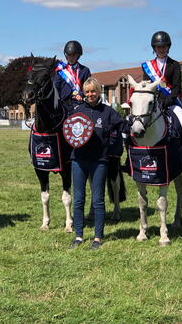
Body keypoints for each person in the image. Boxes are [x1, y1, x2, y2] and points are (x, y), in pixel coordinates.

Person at [69, 77, 128, 250]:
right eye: (87, 92)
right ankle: (78, 236)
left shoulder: (108, 112)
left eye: (93, 91)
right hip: (78, 160)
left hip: (100, 161)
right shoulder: (77, 111)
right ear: (84, 93)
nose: (90, 94)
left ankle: (97, 238)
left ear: (98, 91)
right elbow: (68, 131)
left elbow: (122, 126)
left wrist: (133, 126)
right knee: (78, 200)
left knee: (98, 201)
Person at [142, 31, 182, 169]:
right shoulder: (148, 67)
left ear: (168, 47)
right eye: (159, 47)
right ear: (154, 48)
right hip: (152, 104)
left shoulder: (174, 65)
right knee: (136, 122)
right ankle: (133, 154)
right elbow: (146, 87)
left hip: (171, 102)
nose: (161, 49)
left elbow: (177, 87)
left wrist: (167, 101)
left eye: (164, 46)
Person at [54, 40, 91, 110]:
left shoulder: (85, 70)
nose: (71, 58)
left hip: (80, 104)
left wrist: (81, 95)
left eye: (73, 55)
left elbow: (88, 87)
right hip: (63, 106)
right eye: (69, 55)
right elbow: (56, 88)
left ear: (78, 55)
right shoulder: (60, 70)